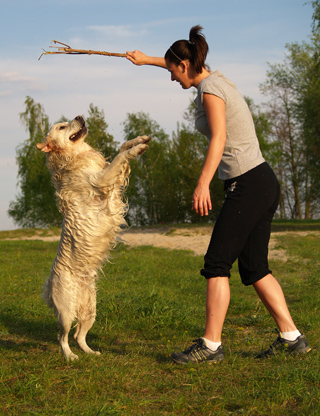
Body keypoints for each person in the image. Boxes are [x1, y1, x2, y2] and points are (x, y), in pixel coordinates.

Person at [126, 25, 311, 364]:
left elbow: (220, 138)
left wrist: (202, 183)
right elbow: (179, 62)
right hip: (263, 180)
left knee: (217, 264)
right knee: (255, 268)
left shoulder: (210, 90)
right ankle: (292, 337)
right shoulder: (216, 78)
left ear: (184, 66)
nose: (171, 79)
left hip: (248, 184)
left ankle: (211, 346)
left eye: (171, 71)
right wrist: (145, 60)